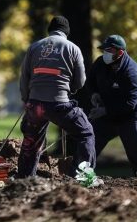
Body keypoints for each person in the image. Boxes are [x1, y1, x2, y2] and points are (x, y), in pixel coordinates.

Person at [18, 15, 96, 178]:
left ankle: (24, 180)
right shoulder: (73, 48)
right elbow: (80, 81)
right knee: (86, 133)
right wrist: (70, 89)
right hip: (59, 105)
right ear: (66, 32)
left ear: (50, 30)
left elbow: (24, 76)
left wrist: (27, 100)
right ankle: (84, 178)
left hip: (36, 105)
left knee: (32, 141)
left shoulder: (34, 47)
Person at [87, 34, 137, 176]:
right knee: (87, 141)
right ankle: (80, 178)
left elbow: (130, 104)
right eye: (104, 50)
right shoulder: (100, 63)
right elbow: (91, 81)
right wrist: (94, 94)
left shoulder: (132, 72)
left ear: (120, 52)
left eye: (109, 50)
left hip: (133, 115)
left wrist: (105, 111)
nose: (105, 53)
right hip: (107, 114)